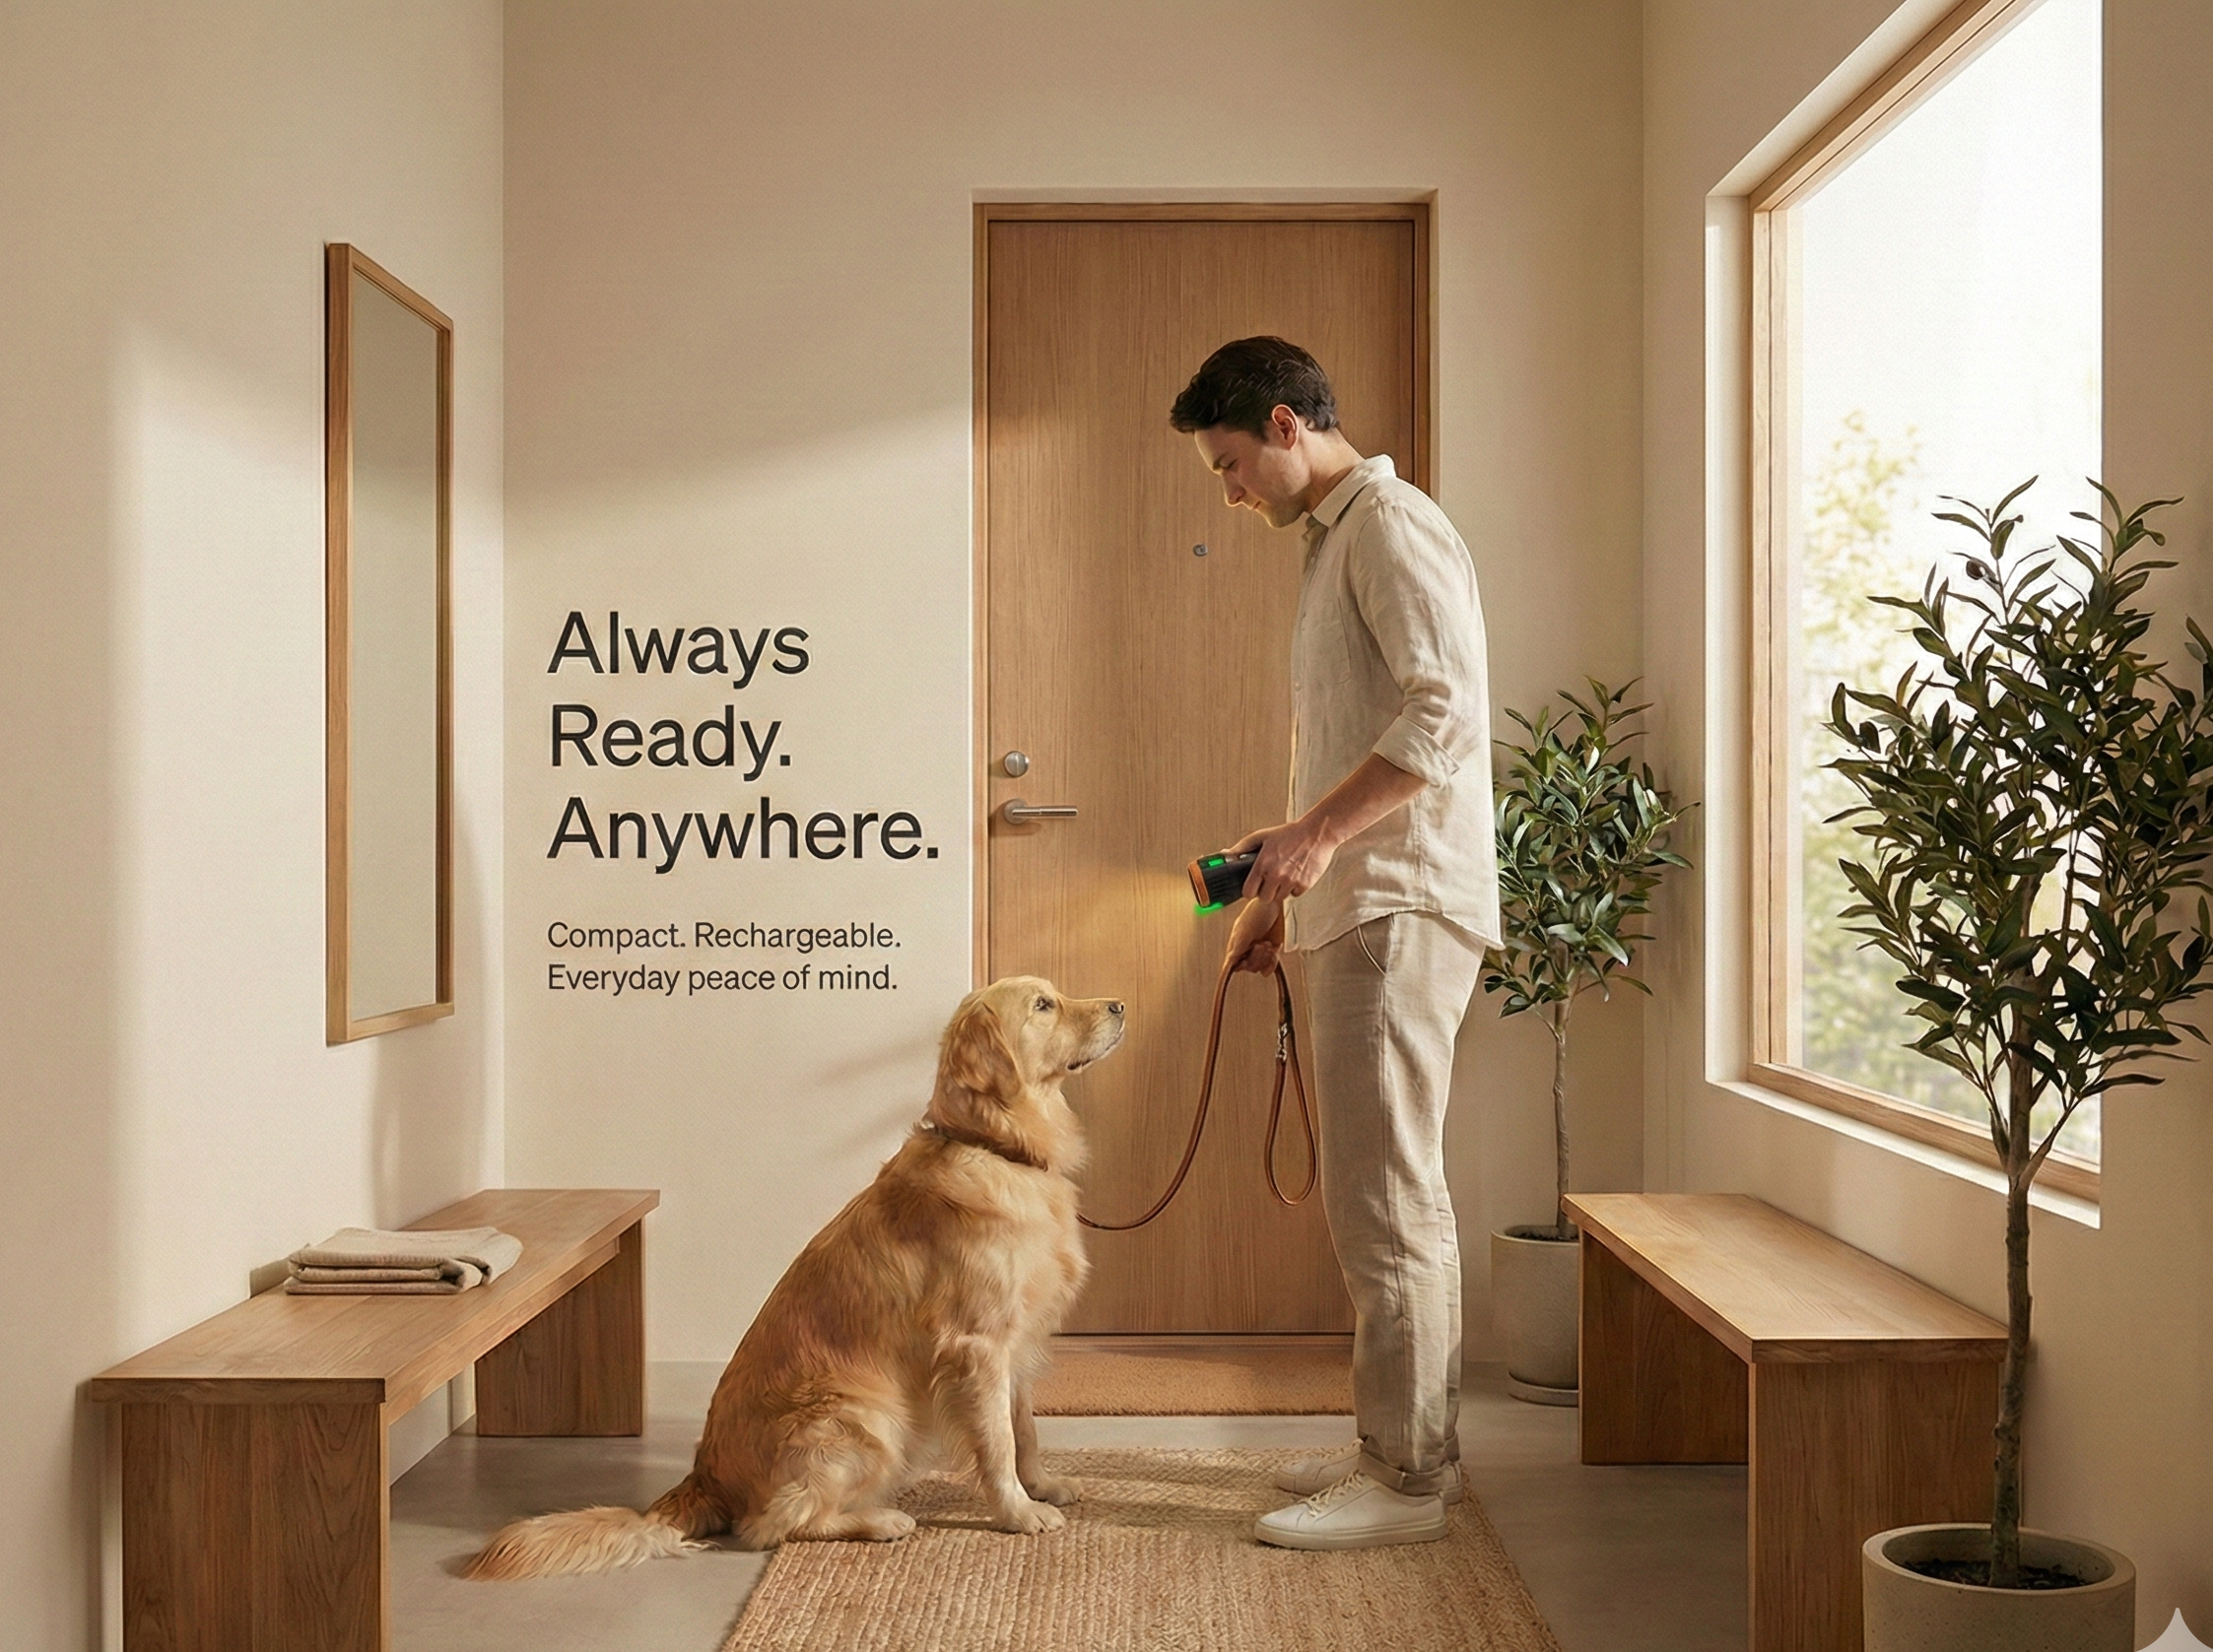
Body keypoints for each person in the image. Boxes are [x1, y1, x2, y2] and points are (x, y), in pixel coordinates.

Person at [1169, 336, 1499, 1551]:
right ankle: (1391, 1445)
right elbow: (1368, 742)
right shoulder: (1337, 541)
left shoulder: (1393, 525)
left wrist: (1317, 840)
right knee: (1371, 1191)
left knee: (1388, 1191)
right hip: (1356, 903)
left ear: (1282, 424)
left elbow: (1448, 715)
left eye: (1230, 463)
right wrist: (1283, 874)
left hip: (1399, 906)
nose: (1230, 490)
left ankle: (1407, 1483)